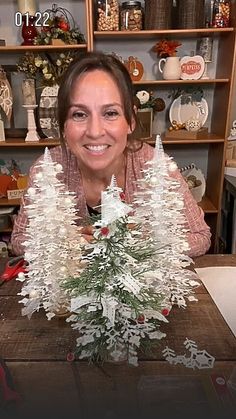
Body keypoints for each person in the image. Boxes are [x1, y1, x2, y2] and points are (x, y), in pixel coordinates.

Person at [11, 51, 211, 257]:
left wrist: (142, 244)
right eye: (79, 114)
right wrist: (69, 242)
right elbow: (19, 240)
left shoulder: (155, 165)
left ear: (131, 121)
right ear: (63, 126)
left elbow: (200, 235)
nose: (95, 131)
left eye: (111, 113)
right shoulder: (49, 170)